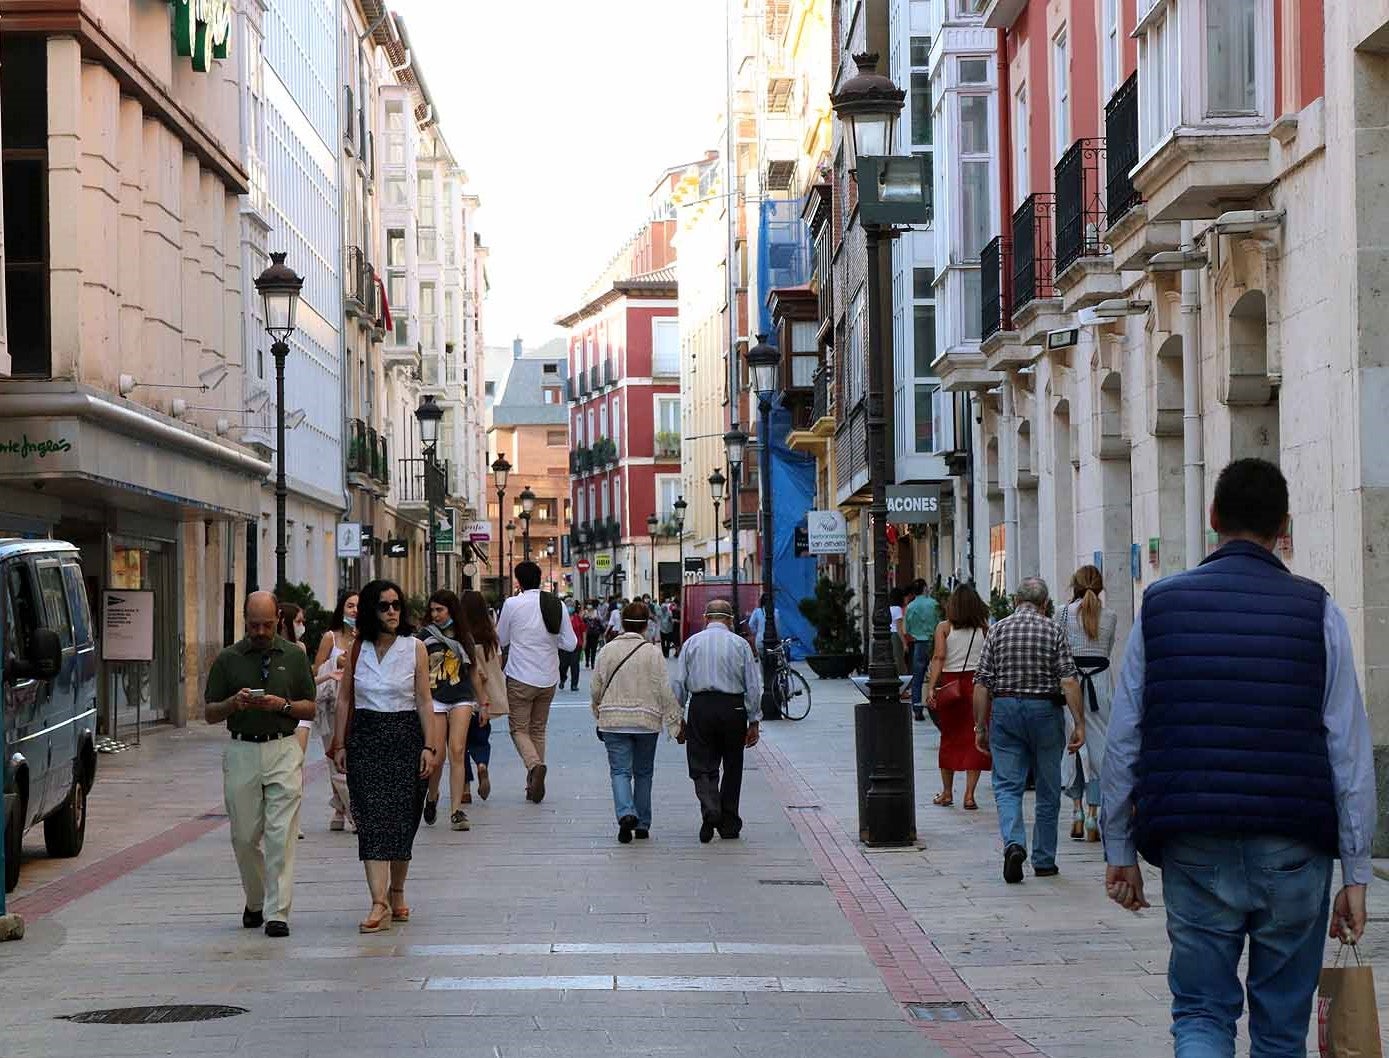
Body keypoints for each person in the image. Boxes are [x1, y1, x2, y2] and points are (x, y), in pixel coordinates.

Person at [1102, 459, 1376, 1056]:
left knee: (1201, 1013)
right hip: (1295, 849)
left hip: (1194, 840)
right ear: (1284, 528)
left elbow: (1125, 736)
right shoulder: (1318, 611)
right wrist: (1355, 872)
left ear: (1212, 518)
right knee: (1281, 1030)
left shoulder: (1161, 607)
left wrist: (1119, 848)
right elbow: (1349, 750)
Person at [330, 579, 440, 933]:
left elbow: (425, 700)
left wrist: (430, 746)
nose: (392, 611)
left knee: (402, 821)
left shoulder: (415, 648)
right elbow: (345, 697)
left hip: (405, 735)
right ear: (369, 611)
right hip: (366, 736)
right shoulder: (359, 648)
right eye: (384, 606)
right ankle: (378, 902)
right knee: (372, 820)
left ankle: (396, 890)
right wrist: (340, 742)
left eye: (396, 605)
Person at [204, 591, 316, 937]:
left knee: (281, 834)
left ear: (278, 621)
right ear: (244, 621)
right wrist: (232, 704)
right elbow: (209, 712)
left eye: (267, 624)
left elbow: (309, 707)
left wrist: (282, 705)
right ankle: (255, 899)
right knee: (243, 835)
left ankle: (277, 911)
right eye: (254, 625)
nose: (261, 631)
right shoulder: (228, 659)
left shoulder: (294, 658)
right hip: (242, 751)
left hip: (282, 747)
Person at [972, 577, 1084, 884]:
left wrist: (980, 726)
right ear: (1045, 604)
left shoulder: (997, 629)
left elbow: (982, 682)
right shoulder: (1053, 629)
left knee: (1007, 786)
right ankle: (1044, 859)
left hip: (1006, 710)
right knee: (1048, 787)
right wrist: (1079, 723)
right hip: (1045, 712)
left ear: (1015, 601)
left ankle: (1014, 843)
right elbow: (1069, 680)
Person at [671, 598, 763, 843]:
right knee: (732, 765)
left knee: (701, 762)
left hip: (701, 706)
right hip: (733, 707)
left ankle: (710, 807)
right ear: (730, 620)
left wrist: (677, 718)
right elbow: (753, 685)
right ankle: (729, 821)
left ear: (705, 618)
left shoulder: (691, 644)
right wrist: (754, 720)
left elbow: (679, 683)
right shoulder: (740, 644)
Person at [591, 602, 683, 843]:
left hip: (613, 720)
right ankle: (642, 822)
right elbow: (664, 689)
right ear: (646, 624)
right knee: (643, 773)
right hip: (646, 721)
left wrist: (597, 712)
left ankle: (625, 813)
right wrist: (675, 721)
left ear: (622, 622)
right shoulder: (652, 652)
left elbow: (596, 687)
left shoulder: (608, 650)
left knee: (620, 772)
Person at [496, 560, 578, 803]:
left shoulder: (512, 604)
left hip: (520, 676)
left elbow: (501, 638)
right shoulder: (557, 604)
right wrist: (551, 644)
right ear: (540, 578)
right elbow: (571, 643)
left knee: (519, 729)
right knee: (538, 730)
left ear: (518, 581)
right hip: (548, 677)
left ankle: (534, 767)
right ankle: (532, 785)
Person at [1055, 565, 1117, 842]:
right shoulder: (1111, 617)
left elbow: (1057, 651)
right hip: (1100, 685)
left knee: (1073, 746)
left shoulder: (1062, 613)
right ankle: (1094, 813)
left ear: (1074, 584)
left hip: (1072, 685)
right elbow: (1108, 650)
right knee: (1099, 748)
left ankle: (1077, 811)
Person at [924, 584, 991, 810]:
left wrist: (932, 687)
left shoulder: (944, 628)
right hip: (977, 687)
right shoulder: (984, 629)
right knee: (975, 739)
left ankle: (946, 792)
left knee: (949, 739)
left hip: (951, 686)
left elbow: (939, 657)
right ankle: (969, 795)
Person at [420, 590, 478, 832]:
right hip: (434, 698)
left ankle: (456, 810)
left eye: (440, 610)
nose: (435, 615)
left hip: (461, 696)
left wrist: (482, 702)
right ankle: (432, 796)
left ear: (451, 610)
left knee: (457, 750)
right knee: (437, 754)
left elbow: (474, 670)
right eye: (432, 610)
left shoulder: (464, 636)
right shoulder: (423, 637)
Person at [457, 589, 507, 806]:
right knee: (481, 739)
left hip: (463, 699)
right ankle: (482, 765)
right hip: (484, 702)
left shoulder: (461, 639)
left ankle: (465, 788)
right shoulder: (490, 638)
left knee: (460, 745)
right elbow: (500, 663)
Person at [313, 591, 358, 832]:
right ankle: (344, 808)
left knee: (351, 755)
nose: (354, 611)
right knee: (334, 757)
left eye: (358, 607)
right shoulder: (330, 637)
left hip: (357, 704)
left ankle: (344, 807)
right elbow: (316, 669)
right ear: (342, 609)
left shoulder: (366, 638)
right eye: (350, 606)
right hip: (332, 703)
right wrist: (335, 664)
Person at [904, 580, 941, 721]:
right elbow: (941, 621)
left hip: (919, 643)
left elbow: (907, 629)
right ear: (925, 588)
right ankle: (935, 703)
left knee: (917, 677)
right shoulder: (934, 604)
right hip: (935, 642)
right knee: (936, 676)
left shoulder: (911, 606)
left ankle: (917, 707)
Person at [560, 599, 585, 692]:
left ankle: (574, 684)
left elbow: (583, 630)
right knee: (562, 665)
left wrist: (584, 642)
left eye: (571, 606)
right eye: (568, 605)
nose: (570, 607)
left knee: (575, 665)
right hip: (564, 645)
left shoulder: (577, 618)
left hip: (576, 645)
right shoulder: (562, 618)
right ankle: (563, 679)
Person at [889, 587, 909, 676]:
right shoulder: (898, 609)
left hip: (889, 634)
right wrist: (904, 643)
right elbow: (899, 628)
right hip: (896, 636)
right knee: (899, 659)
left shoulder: (889, 608)